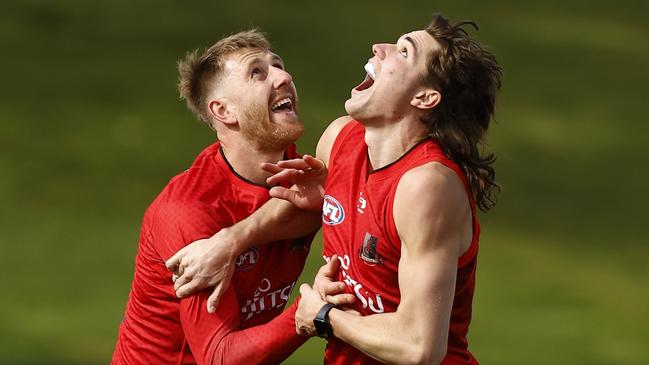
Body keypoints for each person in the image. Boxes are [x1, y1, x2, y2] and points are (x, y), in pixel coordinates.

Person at [167, 14, 502, 365]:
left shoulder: (427, 184)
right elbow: (308, 208)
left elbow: (419, 346)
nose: (380, 48)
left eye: (404, 52)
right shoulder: (342, 139)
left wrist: (324, 315)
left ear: (424, 97)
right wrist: (229, 241)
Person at [111, 29, 352, 365]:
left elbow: (317, 204)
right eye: (258, 72)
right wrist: (308, 314)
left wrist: (233, 240)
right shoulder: (189, 210)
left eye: (279, 66)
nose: (284, 76)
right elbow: (219, 357)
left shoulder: (304, 178)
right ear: (224, 111)